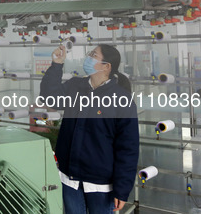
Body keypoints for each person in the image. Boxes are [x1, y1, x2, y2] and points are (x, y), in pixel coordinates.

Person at [40, 44, 139, 213]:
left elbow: (128, 148)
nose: (87, 57)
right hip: (70, 178)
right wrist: (56, 65)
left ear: (106, 66)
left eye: (93, 55)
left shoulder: (121, 99)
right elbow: (50, 98)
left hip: (100, 184)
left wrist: (122, 190)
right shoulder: (75, 86)